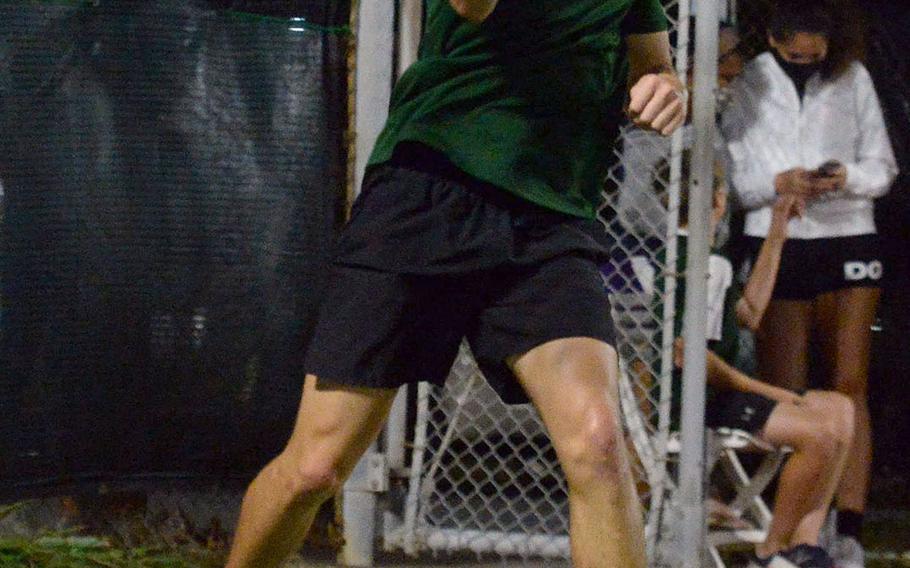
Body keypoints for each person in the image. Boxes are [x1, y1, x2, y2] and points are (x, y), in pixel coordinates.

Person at [224, 1, 687, 567]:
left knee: (598, 445)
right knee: (316, 469)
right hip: (428, 192)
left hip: (550, 220)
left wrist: (664, 88)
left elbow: (651, 63)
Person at [720, 1, 898, 565]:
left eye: (813, 56)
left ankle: (847, 531)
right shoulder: (751, 79)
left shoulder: (852, 77)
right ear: (772, 40)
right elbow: (734, 179)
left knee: (850, 385)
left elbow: (883, 168)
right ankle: (791, 535)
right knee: (788, 386)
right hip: (779, 240)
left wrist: (845, 178)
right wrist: (778, 181)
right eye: (793, 55)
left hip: (848, 236)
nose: (804, 64)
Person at [668, 166, 854, 568]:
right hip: (698, 403)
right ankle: (770, 553)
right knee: (818, 436)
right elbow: (689, 355)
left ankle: (803, 547)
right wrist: (774, 393)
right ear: (717, 202)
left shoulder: (698, 258)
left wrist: (776, 233)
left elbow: (749, 313)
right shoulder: (703, 265)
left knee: (842, 409)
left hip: (709, 393)